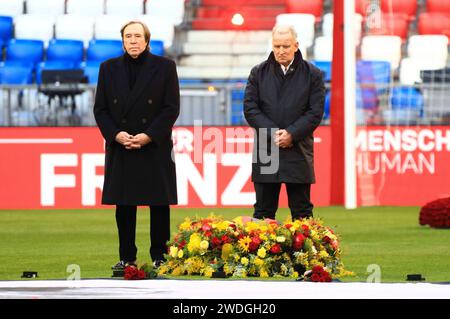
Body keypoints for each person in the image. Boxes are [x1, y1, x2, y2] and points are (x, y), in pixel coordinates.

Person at [93, 21, 180, 270]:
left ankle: (160, 257)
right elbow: (100, 109)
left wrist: (148, 135)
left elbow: (171, 108)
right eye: (128, 36)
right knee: (125, 204)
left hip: (154, 145)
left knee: (159, 204)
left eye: (137, 36)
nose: (133, 41)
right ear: (122, 41)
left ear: (147, 41)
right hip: (121, 145)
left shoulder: (165, 67)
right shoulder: (108, 68)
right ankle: (126, 257)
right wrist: (116, 134)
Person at [244, 25, 325, 221]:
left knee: (302, 213)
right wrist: (275, 134)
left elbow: (315, 112)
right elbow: (250, 109)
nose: (281, 50)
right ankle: (263, 254)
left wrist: (291, 134)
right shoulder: (258, 72)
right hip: (266, 150)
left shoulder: (313, 74)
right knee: (263, 213)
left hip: (298, 150)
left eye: (286, 46)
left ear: (296, 46)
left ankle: (306, 254)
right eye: (277, 46)